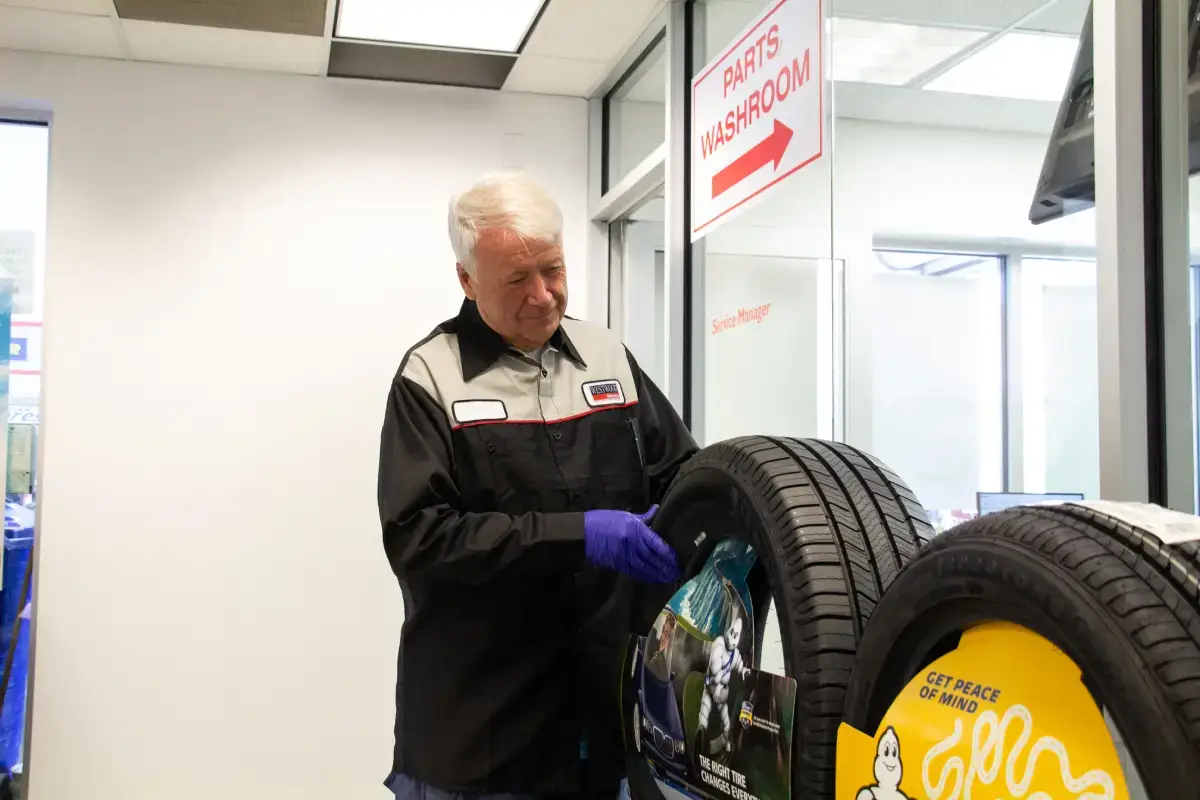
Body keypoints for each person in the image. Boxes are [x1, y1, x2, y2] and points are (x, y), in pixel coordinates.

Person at [377, 170, 698, 799]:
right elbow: (420, 540)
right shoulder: (430, 377)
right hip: (485, 730)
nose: (544, 295)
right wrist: (578, 537)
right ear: (467, 282)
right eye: (516, 280)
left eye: (552, 269)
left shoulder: (608, 358)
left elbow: (681, 473)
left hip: (609, 719)